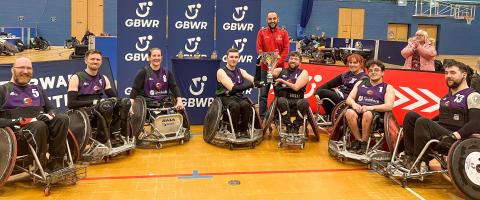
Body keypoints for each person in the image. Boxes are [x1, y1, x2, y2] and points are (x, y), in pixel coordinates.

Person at [401, 60, 480, 169]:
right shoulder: (446, 97)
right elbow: (441, 118)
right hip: (443, 132)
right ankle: (408, 157)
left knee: (423, 122)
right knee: (411, 116)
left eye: (452, 73)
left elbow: (476, 123)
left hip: (457, 137)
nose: (448, 76)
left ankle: (419, 162)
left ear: (464, 75)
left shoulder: (472, 95)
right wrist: (426, 124)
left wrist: (454, 136)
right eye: (446, 73)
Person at [0, 57, 69, 172]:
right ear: (12, 70)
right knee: (39, 125)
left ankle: (57, 161)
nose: (25, 71)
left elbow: (53, 109)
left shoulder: (36, 88)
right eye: (21, 68)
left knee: (62, 118)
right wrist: (18, 121)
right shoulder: (3, 90)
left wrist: (49, 115)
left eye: (29, 68)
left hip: (40, 128)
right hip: (17, 132)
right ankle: (40, 165)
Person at [67, 49, 131, 145]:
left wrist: (125, 105)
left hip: (102, 107)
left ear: (101, 62)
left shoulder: (103, 78)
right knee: (106, 105)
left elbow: (115, 98)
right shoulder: (76, 78)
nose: (95, 61)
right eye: (92, 59)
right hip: (85, 109)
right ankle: (103, 139)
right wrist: (94, 102)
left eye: (98, 59)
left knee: (124, 102)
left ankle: (123, 134)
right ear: (86, 61)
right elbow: (71, 103)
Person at [129, 48, 188, 129]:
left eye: (158, 55)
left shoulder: (167, 72)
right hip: (148, 103)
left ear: (161, 57)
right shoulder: (143, 72)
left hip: (164, 102)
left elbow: (174, 87)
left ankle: (182, 129)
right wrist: (131, 105)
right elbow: (135, 89)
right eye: (154, 56)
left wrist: (179, 100)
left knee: (179, 108)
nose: (156, 58)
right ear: (149, 58)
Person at [344, 60, 395, 153]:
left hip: (375, 113)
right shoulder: (360, 84)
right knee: (349, 112)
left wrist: (371, 107)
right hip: (359, 110)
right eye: (370, 70)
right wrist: (354, 104)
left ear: (382, 72)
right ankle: (358, 140)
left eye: (376, 70)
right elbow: (349, 99)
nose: (373, 72)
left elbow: (389, 106)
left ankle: (364, 142)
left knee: (367, 114)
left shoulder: (387, 87)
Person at [256, 10, 290, 119]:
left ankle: (278, 117)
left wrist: (275, 64)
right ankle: (262, 117)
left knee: (279, 95)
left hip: (279, 71)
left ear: (277, 19)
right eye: (270, 19)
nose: (272, 21)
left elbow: (285, 50)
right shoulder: (261, 33)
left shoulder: (284, 33)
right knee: (263, 95)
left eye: (274, 19)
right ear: (267, 20)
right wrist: (268, 64)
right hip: (264, 70)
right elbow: (259, 49)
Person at [216, 48, 254, 138]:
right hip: (225, 97)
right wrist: (251, 85)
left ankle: (243, 130)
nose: (234, 59)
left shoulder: (240, 71)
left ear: (238, 59)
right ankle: (233, 130)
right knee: (235, 106)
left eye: (236, 57)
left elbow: (253, 79)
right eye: (231, 57)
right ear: (227, 58)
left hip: (237, 97)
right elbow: (232, 88)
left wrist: (262, 79)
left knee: (246, 105)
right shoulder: (221, 71)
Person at [271, 51, 309, 133]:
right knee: (280, 100)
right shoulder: (280, 70)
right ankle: (288, 125)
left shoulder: (303, 73)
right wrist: (276, 61)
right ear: (288, 60)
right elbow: (270, 74)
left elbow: (296, 87)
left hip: (297, 102)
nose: (293, 60)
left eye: (296, 59)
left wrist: (282, 81)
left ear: (300, 62)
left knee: (305, 102)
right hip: (283, 102)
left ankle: (296, 126)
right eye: (291, 58)